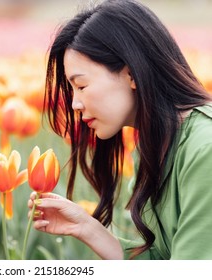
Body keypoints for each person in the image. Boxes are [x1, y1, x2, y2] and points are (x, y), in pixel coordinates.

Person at [27, 0, 212, 260]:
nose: (74, 104)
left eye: (81, 86)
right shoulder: (153, 148)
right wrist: (86, 227)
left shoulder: (205, 149)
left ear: (131, 74)